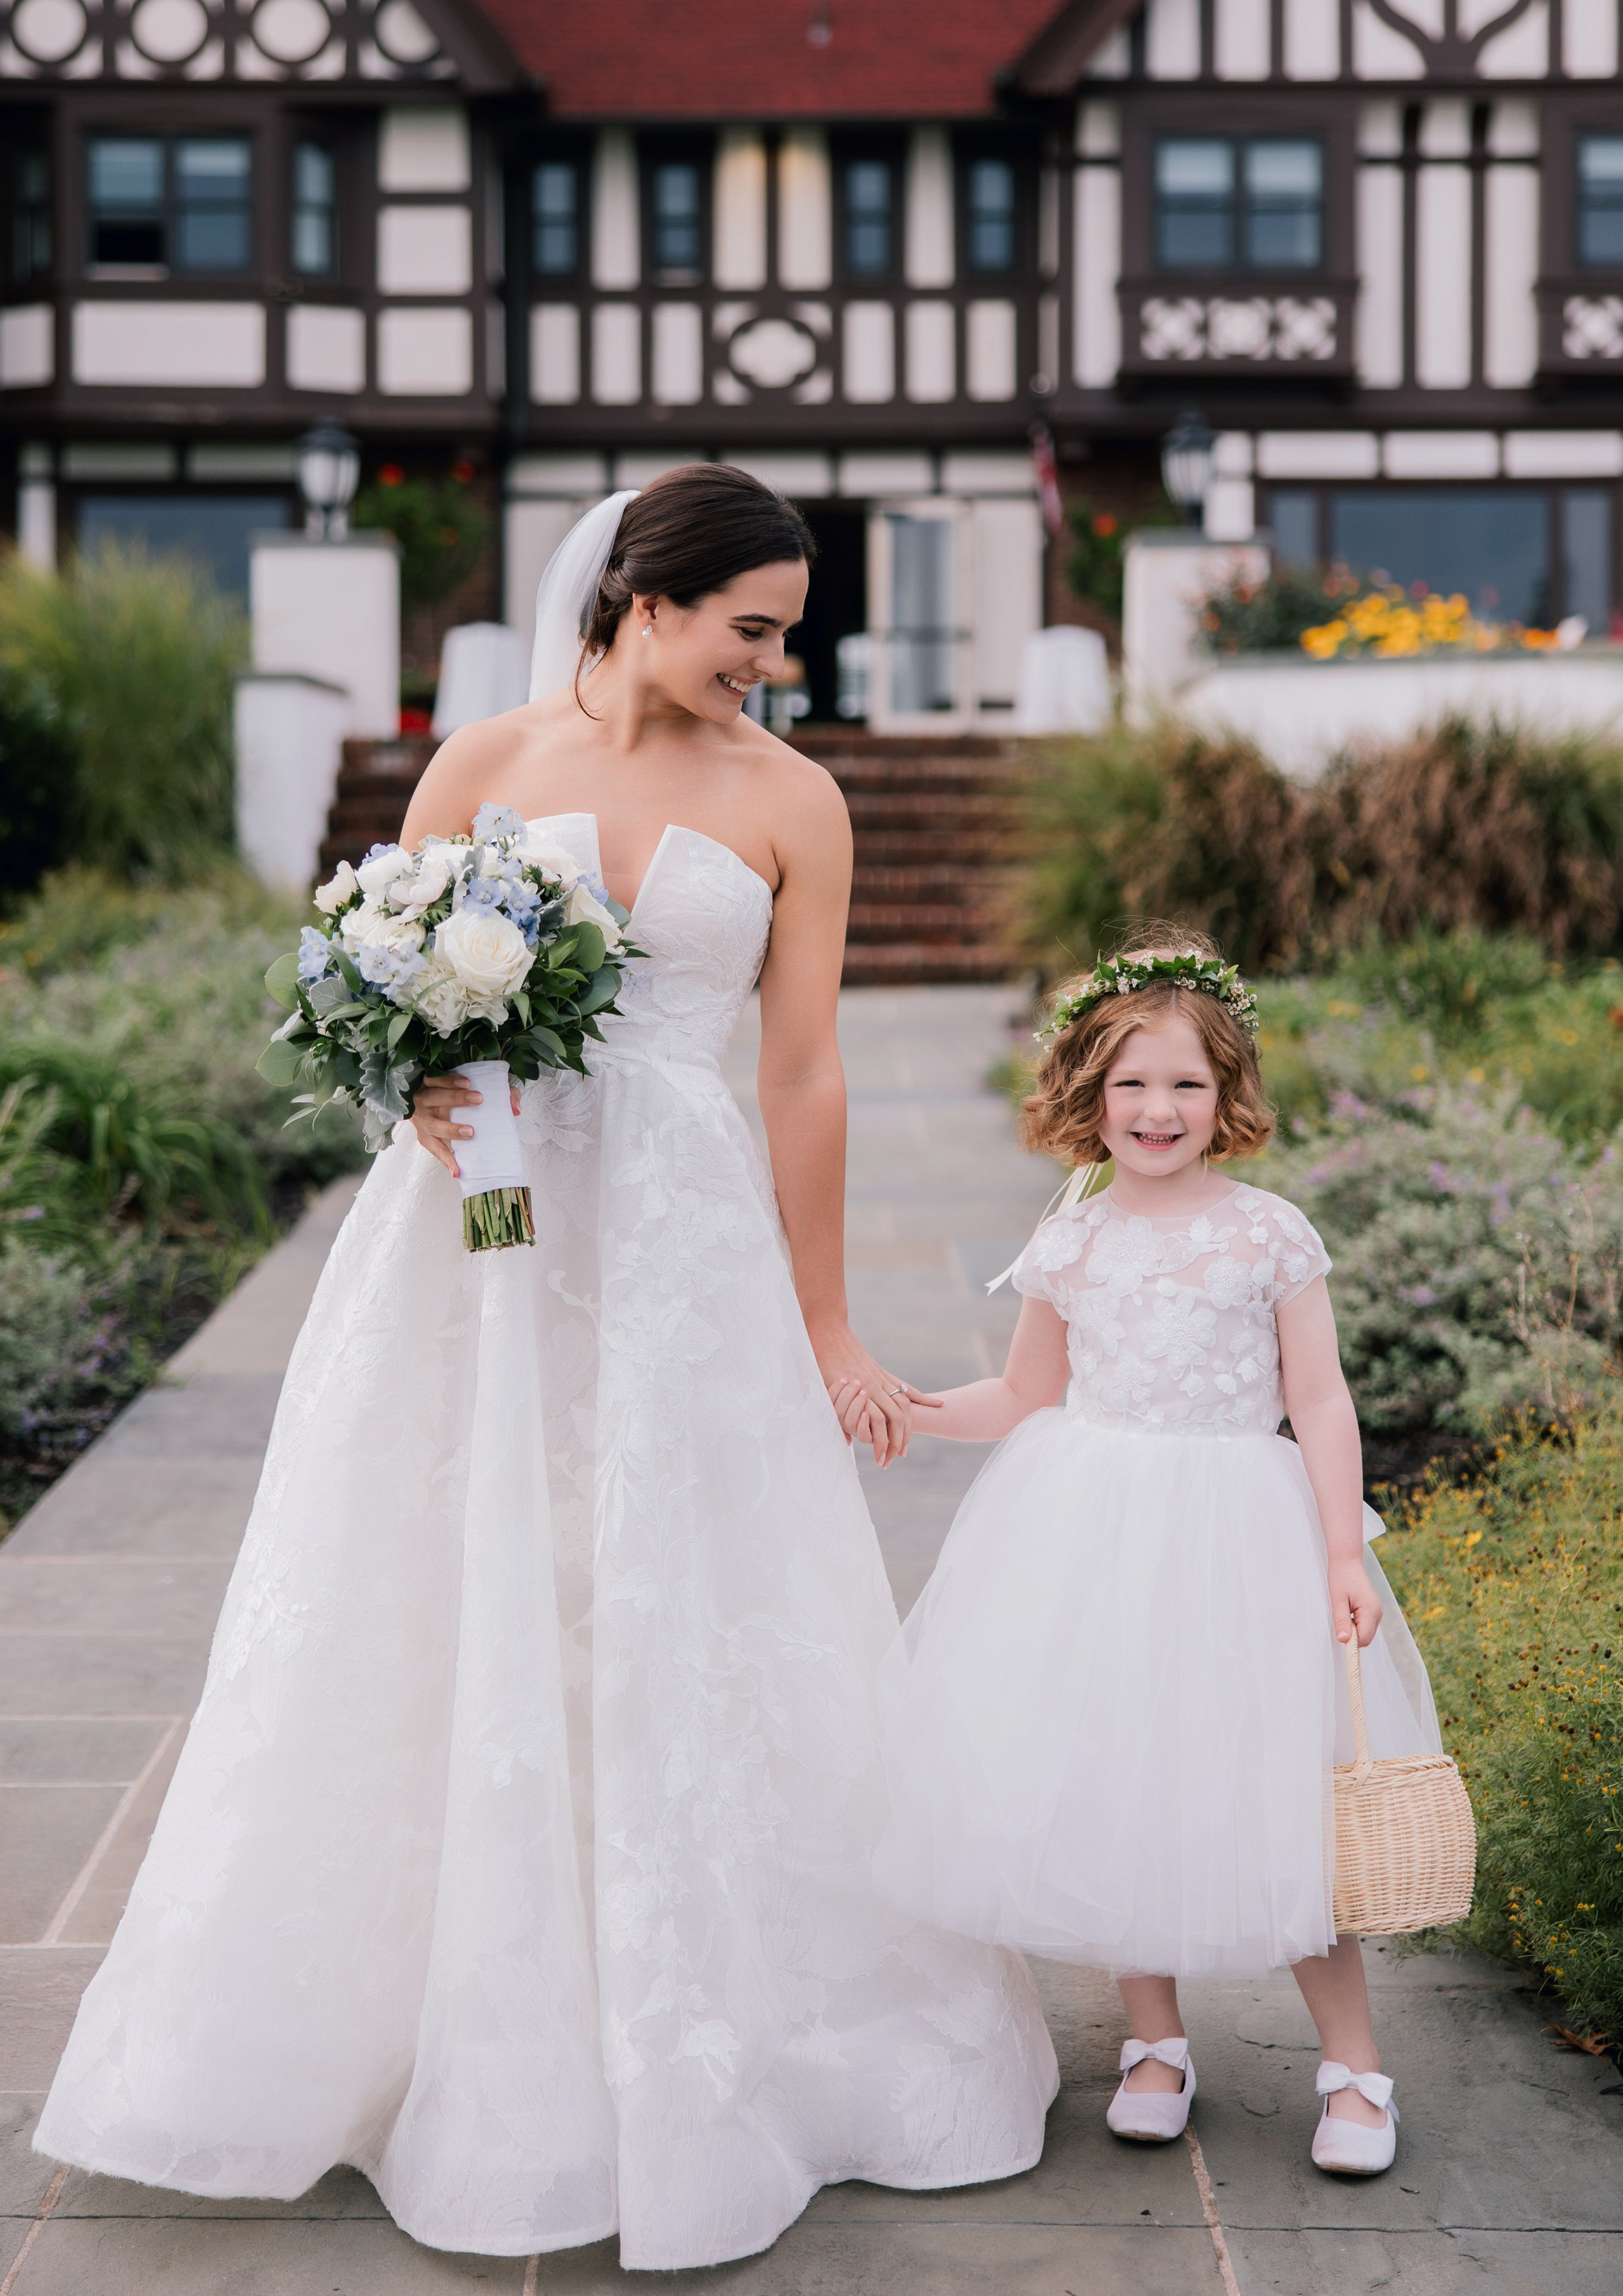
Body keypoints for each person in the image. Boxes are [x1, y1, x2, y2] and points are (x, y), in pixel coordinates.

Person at [34, 467, 1057, 2269]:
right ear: (642, 601)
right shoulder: (484, 763)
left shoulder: (797, 798)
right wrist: (410, 1086)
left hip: (683, 1251)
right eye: (752, 627)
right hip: (480, 1246)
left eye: (786, 632)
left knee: (687, 1589)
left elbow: (804, 1074)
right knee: (454, 1576)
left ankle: (710, 2027)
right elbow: (377, 988)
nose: (775, 663)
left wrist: (827, 1321)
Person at [836, 927, 1441, 2179]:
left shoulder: (1268, 1232)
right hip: (1093, 1530)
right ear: (1084, 1093)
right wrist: (909, 1404)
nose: (1155, 1108)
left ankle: (1352, 2065)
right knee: (1118, 1777)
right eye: (1129, 1083)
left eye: (1182, 1083)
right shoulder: (1070, 1241)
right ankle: (1154, 2043)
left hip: (1239, 1530)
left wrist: (1340, 1550)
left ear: (1225, 1097)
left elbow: (1317, 1398)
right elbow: (1024, 1393)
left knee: (1282, 1788)